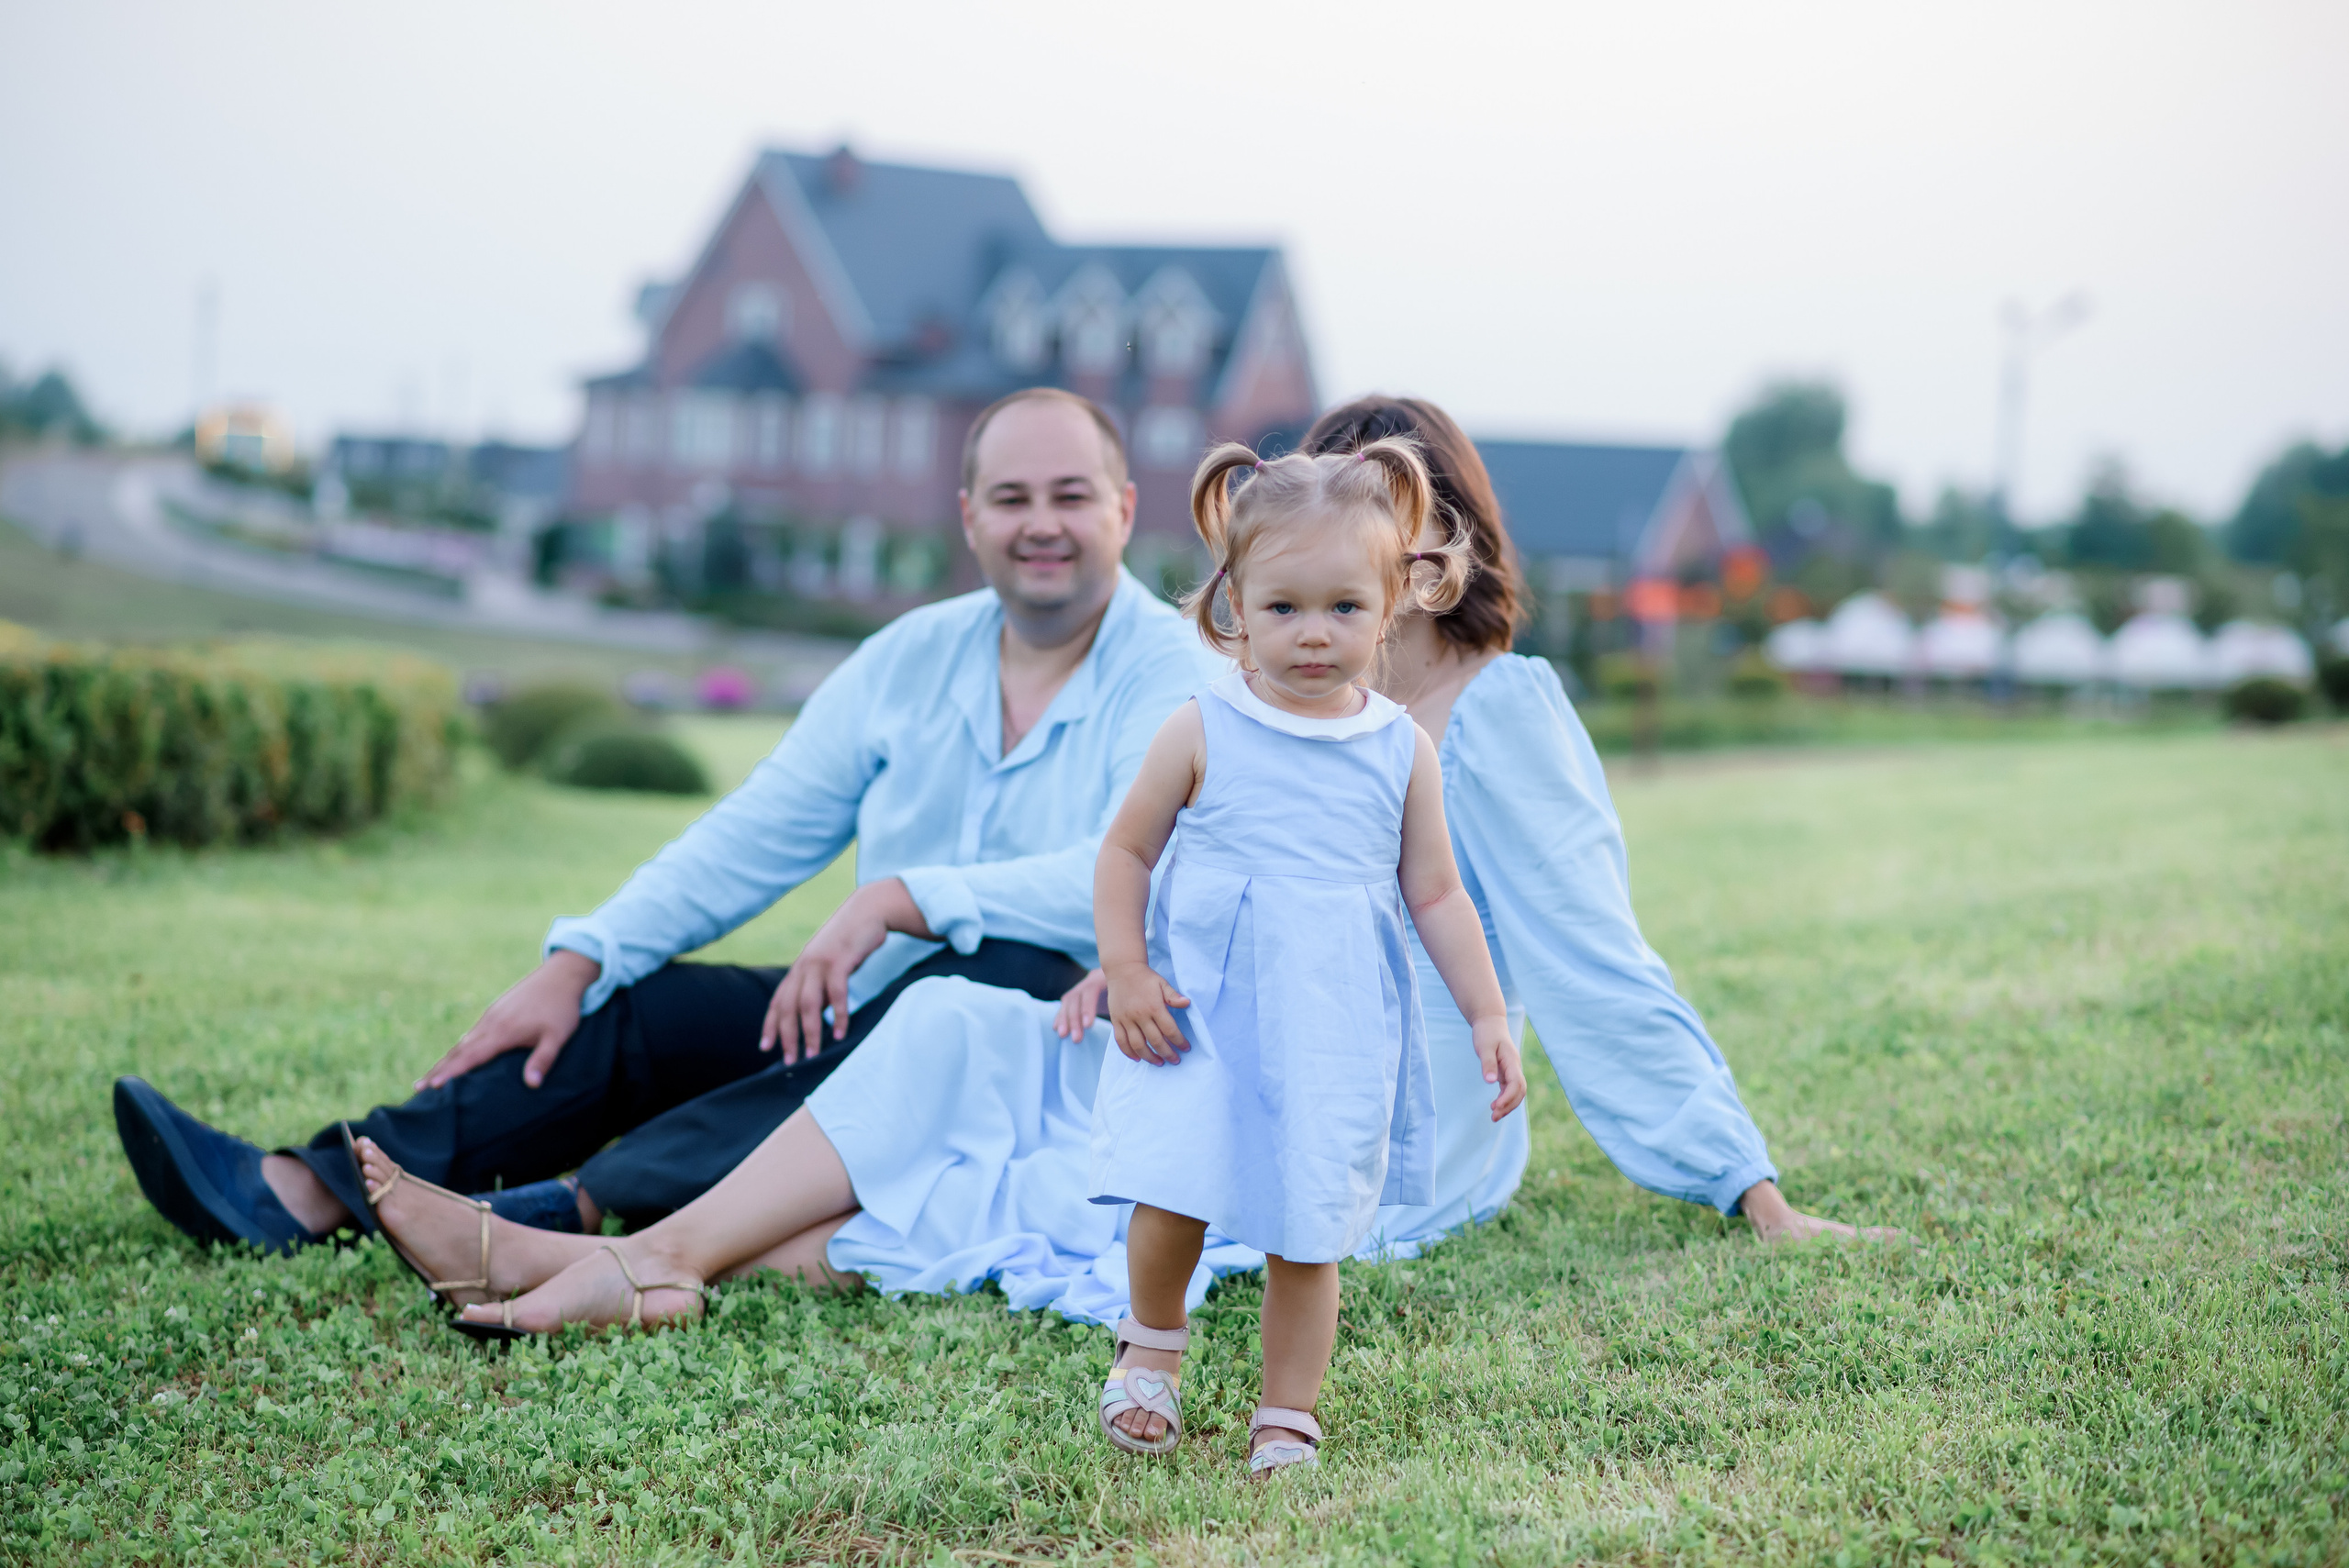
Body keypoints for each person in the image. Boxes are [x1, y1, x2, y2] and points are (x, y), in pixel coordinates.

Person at [351, 394, 1882, 1351]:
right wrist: (1120, 963)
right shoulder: (1265, 713)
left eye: (1367, 541)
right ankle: (641, 1262)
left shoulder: (1495, 720)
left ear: (1438, 556)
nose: (1316, 586)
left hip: (1367, 1110)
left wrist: (1747, 1183)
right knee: (951, 1029)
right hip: (1203, 1032)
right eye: (1290, 551)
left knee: (1014, 1173)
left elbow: (1597, 965)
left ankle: (601, 1255)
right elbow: (1168, 869)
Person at [112, 387, 1217, 1253]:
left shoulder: (1170, 670)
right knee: (645, 1008)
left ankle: (578, 1207)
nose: (1042, 524)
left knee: (978, 976)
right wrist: (586, 953)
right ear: (970, 516)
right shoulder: (908, 658)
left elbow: (1134, 874)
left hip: (1054, 1052)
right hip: (876, 1016)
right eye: (1012, 498)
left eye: (1071, 495)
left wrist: (909, 895)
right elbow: (757, 831)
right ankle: (310, 1186)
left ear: (1123, 509)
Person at [1085, 437, 1527, 1473]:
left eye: (1344, 608)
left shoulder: (1398, 748)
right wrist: (1126, 968)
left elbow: (1437, 893)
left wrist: (1487, 1012)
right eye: (1283, 607)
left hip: (1331, 1023)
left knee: (1308, 1227)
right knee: (1174, 1191)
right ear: (1233, 600)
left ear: (1394, 606)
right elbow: (1124, 851)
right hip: (1201, 1014)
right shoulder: (1202, 728)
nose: (1313, 634)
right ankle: (1151, 1343)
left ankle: (1287, 1405)